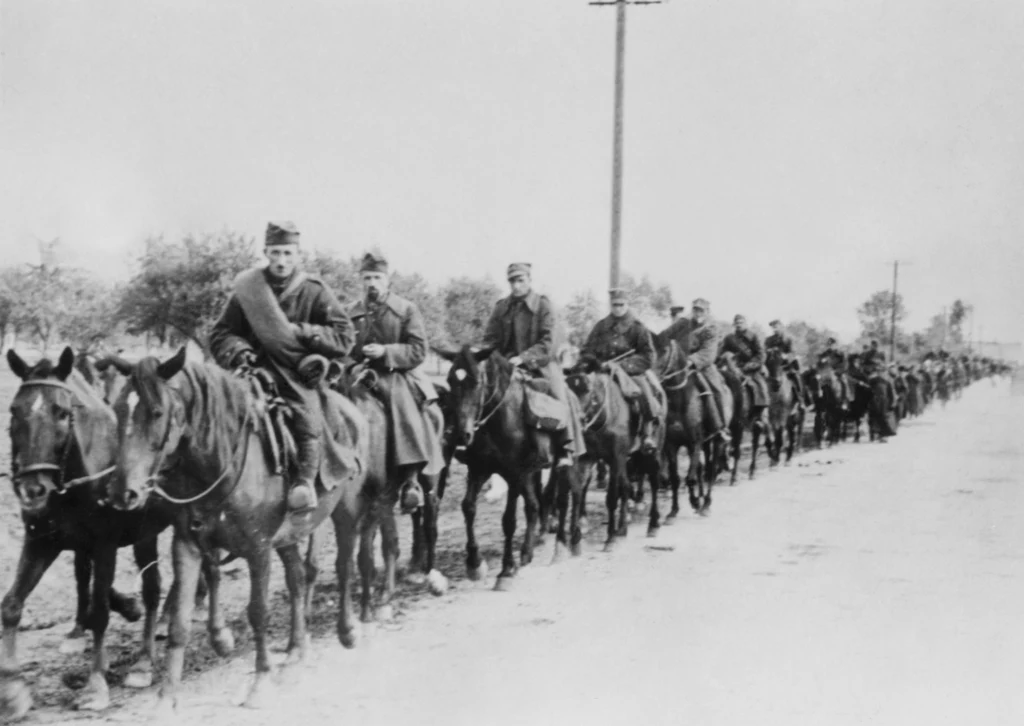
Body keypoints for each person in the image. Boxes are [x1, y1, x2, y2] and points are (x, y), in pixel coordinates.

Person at [210, 221, 355, 524]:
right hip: (250, 370)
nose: (281, 260)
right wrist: (239, 350)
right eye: (275, 252)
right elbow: (221, 333)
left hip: (295, 374)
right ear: (265, 252)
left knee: (308, 416)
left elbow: (344, 336)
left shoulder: (314, 291)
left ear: (297, 254)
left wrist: (302, 332)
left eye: (288, 253)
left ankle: (303, 484)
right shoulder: (247, 289)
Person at [347, 252, 444, 512]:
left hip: (395, 372)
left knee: (402, 402)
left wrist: (386, 352)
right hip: (359, 375)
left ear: (387, 280)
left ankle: (411, 480)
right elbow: (341, 349)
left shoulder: (405, 310)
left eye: (377, 278)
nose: (372, 284)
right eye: (367, 278)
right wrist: (354, 365)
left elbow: (418, 350)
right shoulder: (351, 313)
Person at [481, 262, 585, 467]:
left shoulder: (543, 305)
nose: (516, 285)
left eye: (521, 280)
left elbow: (548, 342)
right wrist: (484, 353)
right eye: (513, 281)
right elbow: (490, 338)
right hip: (507, 365)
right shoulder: (502, 307)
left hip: (541, 364)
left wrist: (524, 358)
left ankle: (565, 446)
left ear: (529, 280)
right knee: (481, 393)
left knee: (559, 397)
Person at [580, 289, 662, 450]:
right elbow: (587, 349)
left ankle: (647, 434)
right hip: (601, 371)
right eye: (614, 305)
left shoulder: (638, 328)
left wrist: (621, 366)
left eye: (621, 305)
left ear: (627, 304)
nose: (617, 308)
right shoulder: (601, 326)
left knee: (645, 394)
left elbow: (648, 356)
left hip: (630, 373)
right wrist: (594, 361)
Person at [686, 298, 730, 442]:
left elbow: (709, 353)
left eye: (701, 310)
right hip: (683, 366)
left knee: (716, 390)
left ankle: (720, 427)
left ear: (707, 312)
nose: (698, 313)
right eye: (695, 310)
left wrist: (691, 360)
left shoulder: (711, 328)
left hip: (704, 367)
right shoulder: (686, 325)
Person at [718, 314, 768, 408]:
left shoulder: (753, 336)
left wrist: (750, 365)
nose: (739, 325)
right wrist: (725, 356)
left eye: (741, 322)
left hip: (750, 369)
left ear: (745, 323)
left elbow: (761, 354)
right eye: (736, 323)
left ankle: (762, 416)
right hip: (733, 368)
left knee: (761, 388)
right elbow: (720, 352)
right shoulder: (729, 338)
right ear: (734, 324)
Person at [763, 319, 806, 405]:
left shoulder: (788, 339)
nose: (775, 329)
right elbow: (764, 351)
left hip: (786, 365)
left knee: (796, 377)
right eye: (773, 327)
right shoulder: (769, 340)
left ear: (781, 327)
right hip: (772, 366)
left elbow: (792, 352)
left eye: (776, 327)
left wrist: (785, 356)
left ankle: (800, 400)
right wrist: (769, 352)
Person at [817, 337, 851, 407]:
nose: (830, 346)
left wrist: (839, 370)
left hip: (838, 372)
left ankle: (844, 400)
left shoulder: (839, 353)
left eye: (832, 344)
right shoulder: (825, 353)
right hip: (827, 374)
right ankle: (819, 403)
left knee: (844, 382)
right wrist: (821, 361)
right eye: (829, 344)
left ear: (835, 344)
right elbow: (819, 364)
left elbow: (845, 363)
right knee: (819, 383)